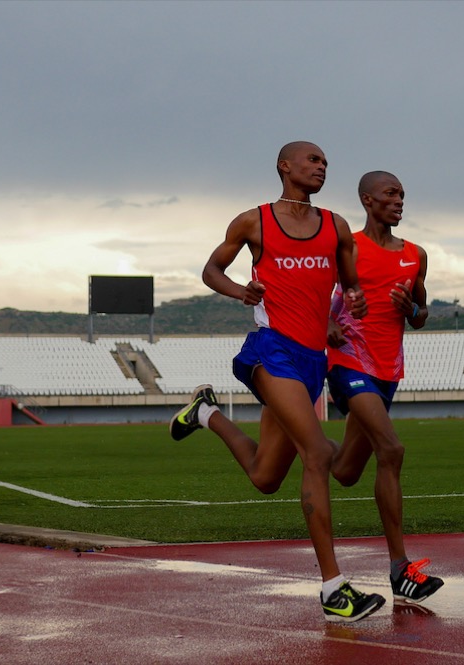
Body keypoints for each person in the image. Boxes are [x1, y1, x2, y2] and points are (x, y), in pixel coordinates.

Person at [170, 141, 385, 623]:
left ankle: (204, 413)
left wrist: (355, 301)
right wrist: (241, 291)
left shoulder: (337, 227)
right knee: (317, 454)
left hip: (311, 362)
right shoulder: (254, 221)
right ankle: (334, 589)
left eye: (326, 162)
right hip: (272, 353)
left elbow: (350, 286)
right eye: (313, 160)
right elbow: (210, 270)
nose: (322, 167)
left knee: (266, 477)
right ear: (284, 167)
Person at [325, 170, 444, 605]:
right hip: (349, 361)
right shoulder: (349, 247)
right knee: (391, 450)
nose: (398, 201)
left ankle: (300, 437)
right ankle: (400, 569)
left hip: (387, 370)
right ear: (367, 199)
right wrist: (327, 326)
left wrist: (413, 307)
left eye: (402, 195)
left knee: (345, 472)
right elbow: (317, 295)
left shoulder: (416, 254)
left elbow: (421, 313)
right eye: (390, 194)